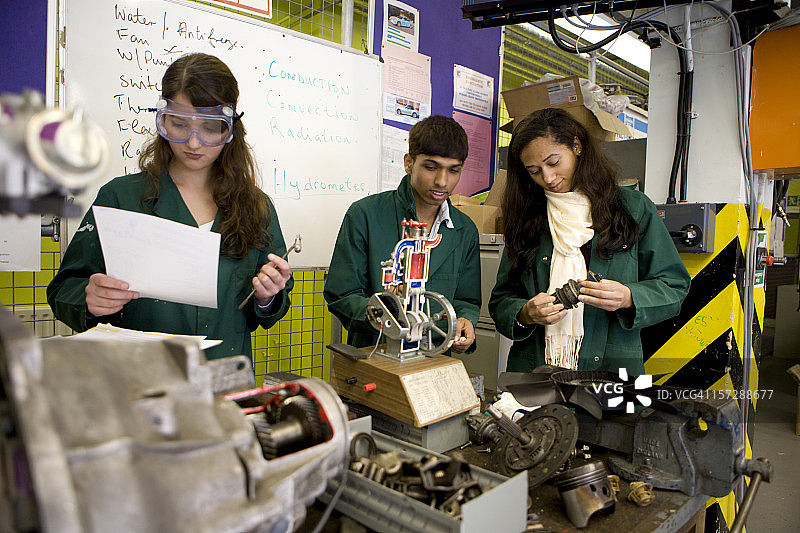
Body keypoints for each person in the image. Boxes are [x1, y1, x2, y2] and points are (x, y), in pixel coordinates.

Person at [47, 53, 293, 361]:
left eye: (210, 127)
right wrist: (88, 298)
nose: (193, 142)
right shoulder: (121, 198)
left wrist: (268, 296)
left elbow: (270, 310)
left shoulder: (256, 207)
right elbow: (63, 289)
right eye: (179, 124)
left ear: (230, 129)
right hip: (142, 382)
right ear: (163, 120)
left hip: (225, 382)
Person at [489, 108, 690, 375]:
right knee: (535, 419)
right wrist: (525, 313)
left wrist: (629, 297)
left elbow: (674, 287)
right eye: (534, 171)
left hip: (614, 372)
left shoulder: (633, 209)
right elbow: (501, 301)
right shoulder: (529, 217)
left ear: (577, 146)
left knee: (619, 419)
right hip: (536, 372)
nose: (547, 178)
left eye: (554, 162)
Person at [324, 115, 480, 354]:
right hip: (374, 355)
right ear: (409, 163)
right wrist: (379, 311)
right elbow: (342, 294)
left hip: (434, 359)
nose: (442, 181)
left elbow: (467, 301)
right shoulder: (365, 215)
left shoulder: (464, 230)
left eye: (453, 170)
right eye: (431, 167)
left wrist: (464, 323)